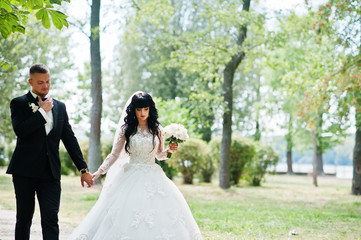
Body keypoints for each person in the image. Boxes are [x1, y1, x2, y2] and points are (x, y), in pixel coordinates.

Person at [69, 91, 202, 240]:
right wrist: (99, 172)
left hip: (154, 175)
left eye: (145, 109)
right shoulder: (127, 129)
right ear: (134, 110)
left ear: (150, 109)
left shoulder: (157, 129)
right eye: (139, 110)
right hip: (131, 175)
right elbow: (114, 154)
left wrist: (169, 151)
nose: (142, 113)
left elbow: (159, 155)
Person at [6, 63, 94, 240]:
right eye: (40, 82)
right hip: (24, 172)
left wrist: (83, 169)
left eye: (47, 82)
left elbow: (69, 139)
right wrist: (41, 113)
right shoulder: (19, 103)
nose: (45, 86)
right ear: (30, 81)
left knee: (51, 219)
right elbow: (20, 131)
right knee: (24, 218)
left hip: (51, 172)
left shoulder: (60, 107)